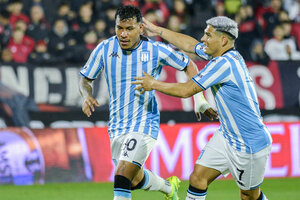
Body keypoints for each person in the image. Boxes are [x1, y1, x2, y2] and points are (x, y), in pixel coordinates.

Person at [79, 5, 217, 200]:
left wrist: (199, 98)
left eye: (129, 29)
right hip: (117, 126)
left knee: (122, 174)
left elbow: (189, 65)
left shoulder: (155, 50)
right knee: (133, 180)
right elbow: (85, 79)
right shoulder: (104, 48)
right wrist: (86, 95)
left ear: (140, 28)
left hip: (144, 124)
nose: (123, 34)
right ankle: (169, 188)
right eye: (120, 28)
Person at [133, 16, 272, 200]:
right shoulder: (220, 54)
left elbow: (186, 90)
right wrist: (158, 30)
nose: (203, 39)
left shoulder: (224, 63)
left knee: (249, 196)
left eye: (208, 35)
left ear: (222, 40)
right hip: (227, 135)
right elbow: (190, 45)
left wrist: (153, 83)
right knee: (198, 178)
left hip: (248, 143)